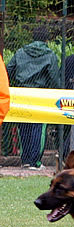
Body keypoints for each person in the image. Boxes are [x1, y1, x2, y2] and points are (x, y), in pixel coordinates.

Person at [6, 26, 61, 169]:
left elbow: (9, 70)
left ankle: (25, 159)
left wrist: (16, 83)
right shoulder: (50, 55)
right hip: (40, 95)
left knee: (23, 127)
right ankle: (35, 161)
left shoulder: (20, 52)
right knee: (38, 127)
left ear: (32, 37)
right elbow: (54, 79)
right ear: (47, 39)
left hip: (22, 93)